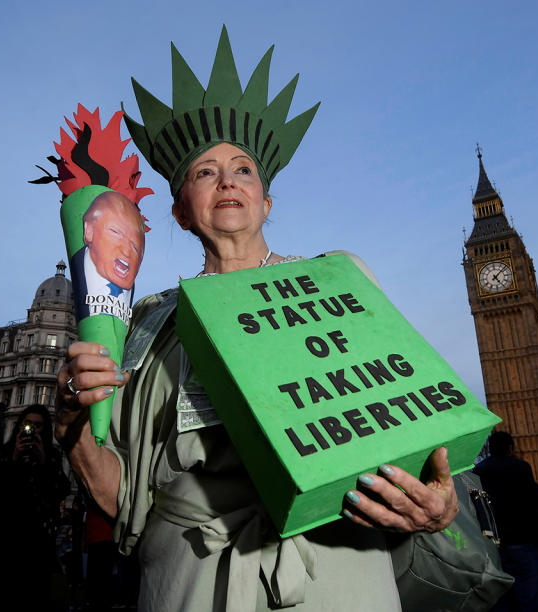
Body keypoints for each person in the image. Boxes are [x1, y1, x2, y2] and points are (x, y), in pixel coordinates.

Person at [55, 27, 459, 611]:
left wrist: (439, 502)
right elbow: (118, 496)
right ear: (179, 212)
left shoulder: (337, 279)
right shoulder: (147, 323)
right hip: (189, 579)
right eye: (204, 172)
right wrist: (72, 429)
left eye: (242, 169)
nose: (226, 181)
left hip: (337, 572)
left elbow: (415, 430)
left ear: (265, 201)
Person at [0, 404, 70, 611]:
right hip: (2, 536)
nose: (32, 429)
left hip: (37, 539)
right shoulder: (4, 452)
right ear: (20, 425)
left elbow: (60, 490)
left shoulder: (52, 456)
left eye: (38, 426)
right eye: (28, 424)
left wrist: (43, 460)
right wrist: (13, 458)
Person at [473, 431, 538, 612]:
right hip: (523, 540)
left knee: (499, 598)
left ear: (490, 448)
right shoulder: (521, 467)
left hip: (491, 545)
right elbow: (533, 504)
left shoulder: (478, 471)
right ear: (510, 448)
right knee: (528, 598)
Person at [70, 190, 146, 320]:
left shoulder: (142, 308)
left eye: (135, 247)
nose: (126, 251)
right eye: (115, 232)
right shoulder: (77, 276)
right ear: (89, 230)